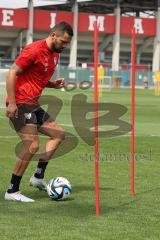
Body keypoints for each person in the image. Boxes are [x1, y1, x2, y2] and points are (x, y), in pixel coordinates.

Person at [5, 21, 73, 202]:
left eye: (67, 43)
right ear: (53, 36)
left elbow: (38, 76)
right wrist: (12, 103)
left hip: (33, 104)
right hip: (19, 103)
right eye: (63, 42)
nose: (65, 46)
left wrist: (52, 84)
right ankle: (12, 190)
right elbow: (12, 73)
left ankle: (37, 178)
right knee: (32, 145)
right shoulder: (33, 50)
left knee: (58, 134)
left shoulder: (54, 55)